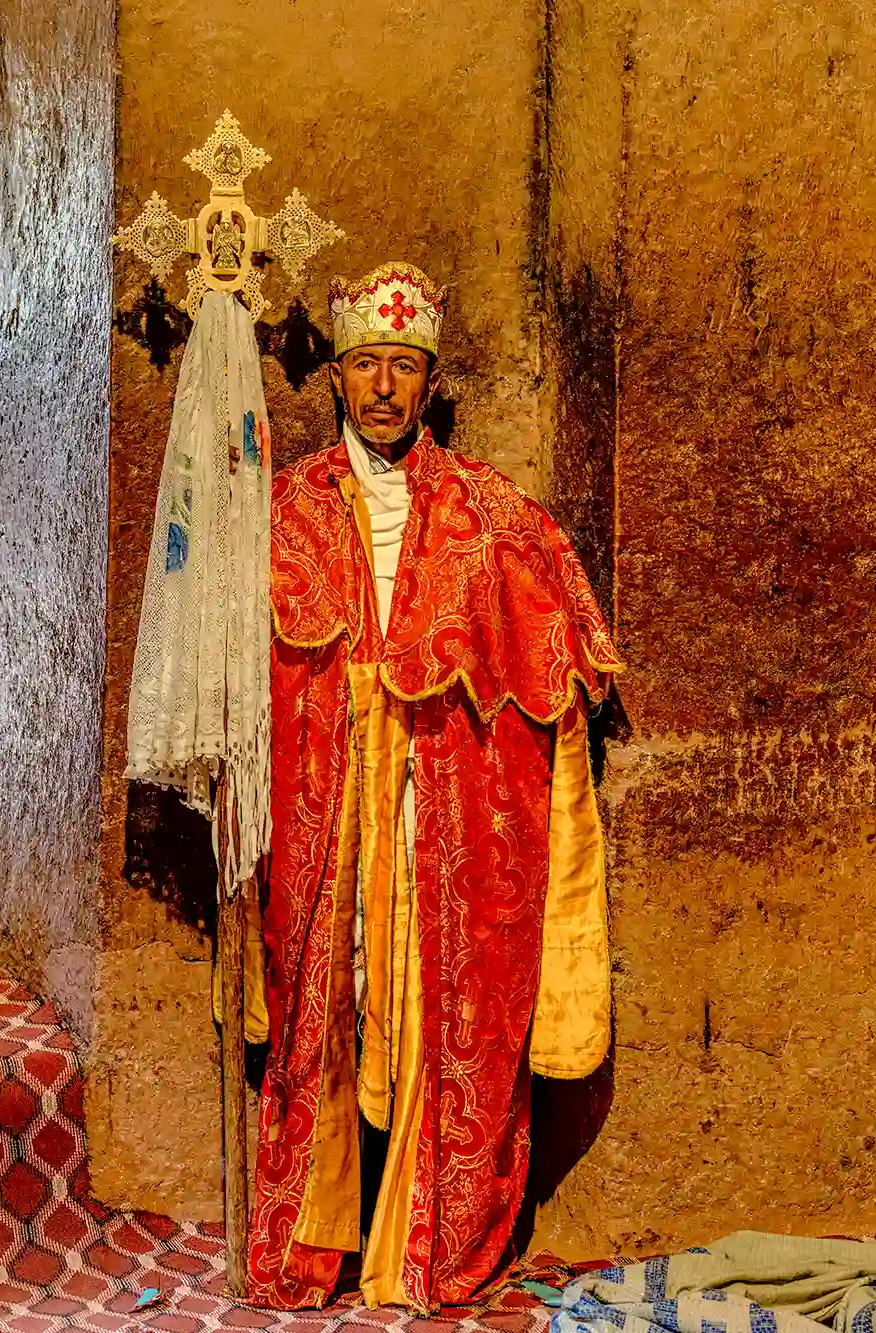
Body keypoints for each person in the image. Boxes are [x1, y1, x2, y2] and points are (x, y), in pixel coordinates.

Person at [244, 260, 621, 1310]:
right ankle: (313, 1239)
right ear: (333, 377)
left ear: (425, 382)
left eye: (400, 368)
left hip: (436, 804)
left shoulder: (490, 515)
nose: (380, 388)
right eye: (363, 364)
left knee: (435, 1005)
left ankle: (425, 1244)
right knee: (328, 999)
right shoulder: (285, 510)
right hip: (326, 803)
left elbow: (559, 655)